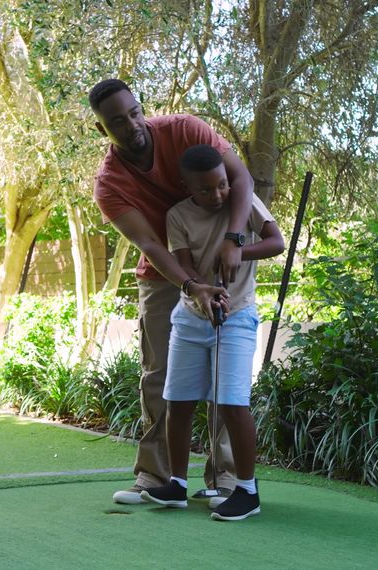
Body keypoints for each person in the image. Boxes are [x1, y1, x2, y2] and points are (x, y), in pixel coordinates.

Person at [90, 78, 256, 506]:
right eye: (117, 123)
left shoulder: (186, 130)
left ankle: (226, 480)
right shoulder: (109, 183)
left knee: (224, 380)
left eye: (133, 112)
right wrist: (190, 285)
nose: (131, 125)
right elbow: (149, 244)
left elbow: (241, 180)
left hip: (220, 261)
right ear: (102, 130)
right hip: (164, 276)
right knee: (160, 376)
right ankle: (157, 478)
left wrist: (234, 240)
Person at [140, 144, 284, 521]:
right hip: (190, 317)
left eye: (221, 184)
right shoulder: (177, 216)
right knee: (179, 401)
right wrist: (204, 295)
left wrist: (237, 251)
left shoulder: (244, 201)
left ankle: (247, 491)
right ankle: (176, 484)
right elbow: (185, 267)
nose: (217, 194)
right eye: (206, 189)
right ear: (188, 188)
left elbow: (277, 241)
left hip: (236, 316)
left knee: (233, 403)